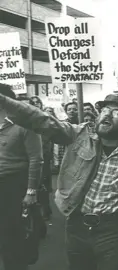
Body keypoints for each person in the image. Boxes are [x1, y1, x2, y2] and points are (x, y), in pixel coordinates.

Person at [0, 90, 118, 270]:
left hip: (112, 228)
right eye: (105, 110)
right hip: (76, 225)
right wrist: (4, 101)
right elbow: (41, 120)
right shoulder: (79, 134)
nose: (107, 115)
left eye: (117, 113)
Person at [0, 84, 43, 270]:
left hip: (14, 184)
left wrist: (31, 192)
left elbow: (36, 159)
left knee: (13, 236)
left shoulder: (25, 124)